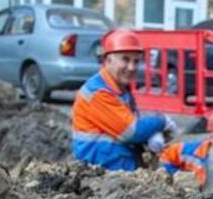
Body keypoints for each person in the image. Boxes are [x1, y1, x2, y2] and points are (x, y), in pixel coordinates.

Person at [71, 29, 177, 170]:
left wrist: (152, 135)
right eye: (125, 59)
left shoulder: (118, 88)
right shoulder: (98, 92)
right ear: (108, 61)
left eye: (136, 61)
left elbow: (130, 122)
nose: (132, 67)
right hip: (101, 170)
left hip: (114, 163)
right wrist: (161, 121)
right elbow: (131, 132)